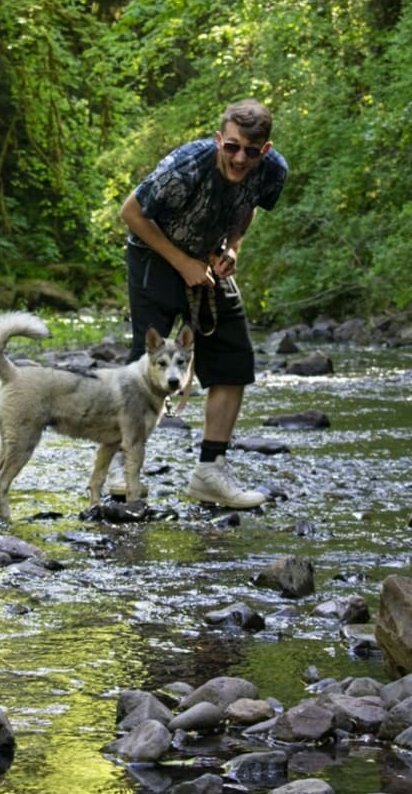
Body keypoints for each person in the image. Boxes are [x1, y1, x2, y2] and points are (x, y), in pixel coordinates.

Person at [118, 97, 288, 508]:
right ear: (219, 140)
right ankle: (122, 473)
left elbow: (246, 212)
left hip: (210, 259)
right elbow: (132, 212)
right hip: (154, 256)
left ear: (263, 150)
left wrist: (232, 249)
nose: (240, 158)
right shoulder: (186, 166)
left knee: (234, 359)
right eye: (231, 147)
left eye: (250, 151)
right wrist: (182, 262)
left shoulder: (272, 171)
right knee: (146, 365)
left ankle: (210, 472)